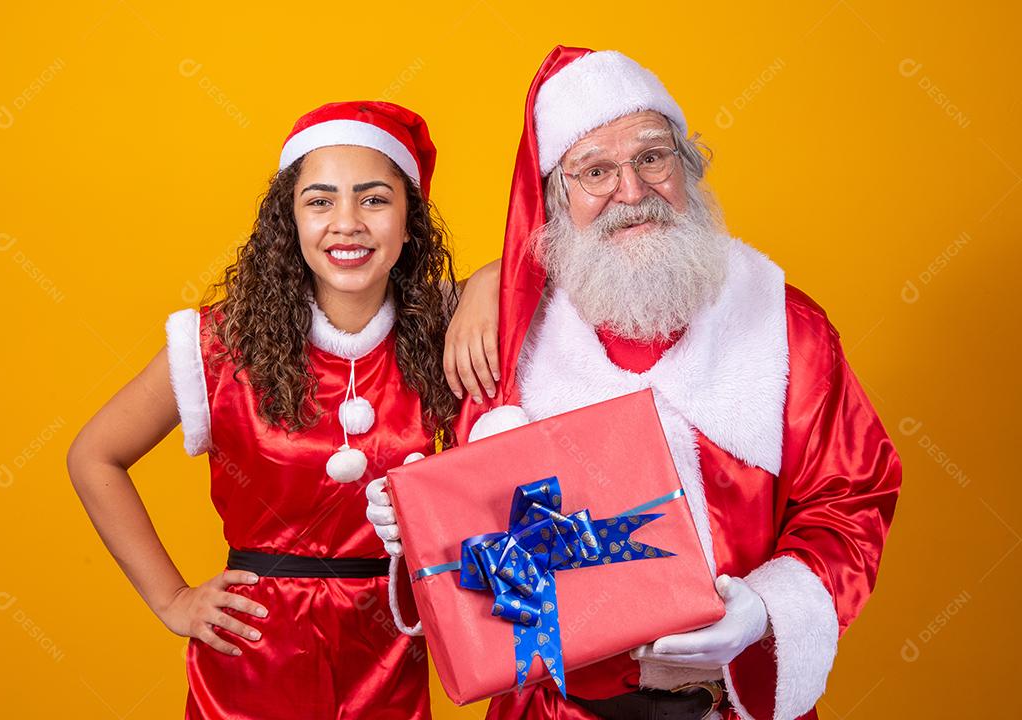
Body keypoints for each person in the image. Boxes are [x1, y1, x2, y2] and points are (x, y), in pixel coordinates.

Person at [369, 47, 902, 720]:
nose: (631, 190)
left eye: (653, 157)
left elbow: (851, 500)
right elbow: (482, 547)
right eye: (595, 171)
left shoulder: (784, 327)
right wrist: (420, 530)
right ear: (557, 199)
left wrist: (766, 609)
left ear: (688, 166)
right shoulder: (508, 346)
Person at [68, 101, 461, 719]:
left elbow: (539, 275)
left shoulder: (449, 334)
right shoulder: (221, 344)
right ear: (290, 220)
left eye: (374, 199)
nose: (347, 222)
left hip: (390, 659)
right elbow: (94, 456)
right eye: (320, 201)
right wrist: (172, 599)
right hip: (251, 664)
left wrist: (485, 283)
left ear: (410, 220)